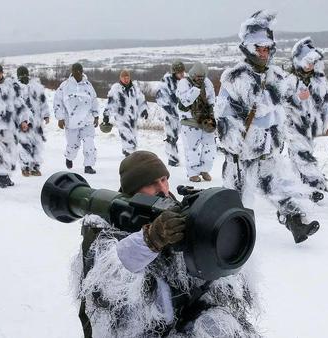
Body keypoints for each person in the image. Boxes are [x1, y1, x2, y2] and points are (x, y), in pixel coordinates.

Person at [75, 151, 258, 337]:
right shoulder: (104, 230)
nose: (162, 189)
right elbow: (112, 284)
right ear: (132, 191)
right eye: (151, 183)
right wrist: (151, 239)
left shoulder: (175, 213)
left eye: (164, 180)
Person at [214, 10, 320, 244]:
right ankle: (226, 237)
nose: (263, 54)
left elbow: (286, 104)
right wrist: (232, 142)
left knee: (277, 185)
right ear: (248, 48)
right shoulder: (236, 78)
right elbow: (223, 116)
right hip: (242, 153)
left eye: (266, 49)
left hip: (268, 148)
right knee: (235, 198)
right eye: (258, 49)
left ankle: (296, 223)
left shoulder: (277, 76)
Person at [283, 37, 328, 202]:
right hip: (292, 125)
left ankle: (303, 186)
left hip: (310, 126)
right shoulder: (287, 79)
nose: (309, 66)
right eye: (307, 62)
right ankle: (314, 185)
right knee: (302, 155)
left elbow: (326, 102)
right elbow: (279, 103)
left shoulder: (318, 80)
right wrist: (297, 98)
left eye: (312, 62)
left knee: (302, 155)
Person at [53, 63, 100, 174]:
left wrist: (96, 116)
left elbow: (94, 100)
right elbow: (57, 102)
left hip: (87, 121)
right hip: (71, 122)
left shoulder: (88, 85)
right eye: (75, 70)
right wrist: (60, 118)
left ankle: (88, 166)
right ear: (72, 71)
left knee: (89, 143)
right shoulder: (65, 86)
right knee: (73, 145)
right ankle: (69, 157)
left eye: (79, 70)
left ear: (82, 71)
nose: (78, 72)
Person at [176, 62, 217, 182]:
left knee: (210, 146)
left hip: (205, 119)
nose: (200, 79)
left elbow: (211, 100)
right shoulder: (184, 83)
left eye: (202, 76)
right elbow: (185, 101)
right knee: (192, 148)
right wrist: (196, 89)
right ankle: (193, 172)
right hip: (189, 120)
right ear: (193, 74)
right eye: (198, 76)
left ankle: (205, 169)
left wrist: (212, 116)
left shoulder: (207, 82)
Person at [13, 66, 50, 176]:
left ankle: (35, 167)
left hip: (37, 122)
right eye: (21, 74)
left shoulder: (36, 87)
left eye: (25, 74)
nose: (24, 76)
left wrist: (46, 115)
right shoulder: (15, 89)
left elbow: (43, 102)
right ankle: (25, 167)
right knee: (25, 145)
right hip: (22, 123)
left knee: (37, 145)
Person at [102, 69, 149, 157]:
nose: (126, 80)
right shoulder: (116, 89)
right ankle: (129, 154)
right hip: (121, 117)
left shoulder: (135, 88)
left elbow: (141, 100)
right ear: (120, 78)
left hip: (133, 118)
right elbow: (111, 103)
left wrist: (144, 110)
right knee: (127, 136)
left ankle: (126, 150)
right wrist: (106, 115)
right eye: (124, 78)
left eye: (127, 78)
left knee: (133, 136)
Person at [156, 60, 186, 166]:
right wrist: (168, 107)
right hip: (170, 115)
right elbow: (160, 98)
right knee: (171, 137)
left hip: (183, 114)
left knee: (186, 137)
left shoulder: (185, 80)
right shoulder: (166, 81)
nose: (182, 74)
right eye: (179, 72)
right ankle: (172, 158)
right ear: (174, 72)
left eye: (183, 71)